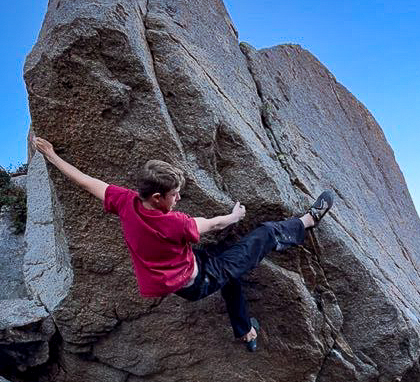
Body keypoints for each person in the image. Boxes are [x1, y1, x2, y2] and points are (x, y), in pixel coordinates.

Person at [32, 137, 333, 351]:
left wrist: (52, 156)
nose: (178, 199)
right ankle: (308, 221)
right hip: (201, 278)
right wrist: (235, 215)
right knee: (266, 234)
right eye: (174, 195)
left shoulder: (126, 202)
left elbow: (86, 181)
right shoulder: (175, 223)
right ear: (156, 198)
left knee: (232, 276)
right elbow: (214, 224)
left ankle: (245, 332)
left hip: (188, 273)